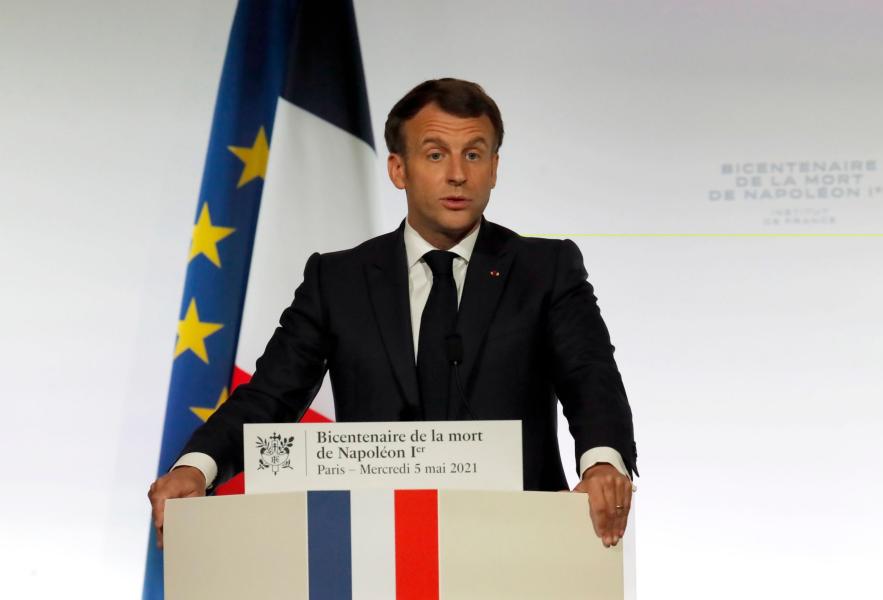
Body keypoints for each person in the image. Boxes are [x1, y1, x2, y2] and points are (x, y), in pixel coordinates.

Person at [149, 78, 637, 550]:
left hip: (516, 545)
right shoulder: (338, 279)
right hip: (375, 550)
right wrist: (197, 465)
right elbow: (271, 395)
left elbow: (589, 374)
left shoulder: (544, 268)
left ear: (494, 167)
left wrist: (600, 463)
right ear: (399, 170)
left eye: (474, 153)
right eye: (435, 154)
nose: (458, 175)